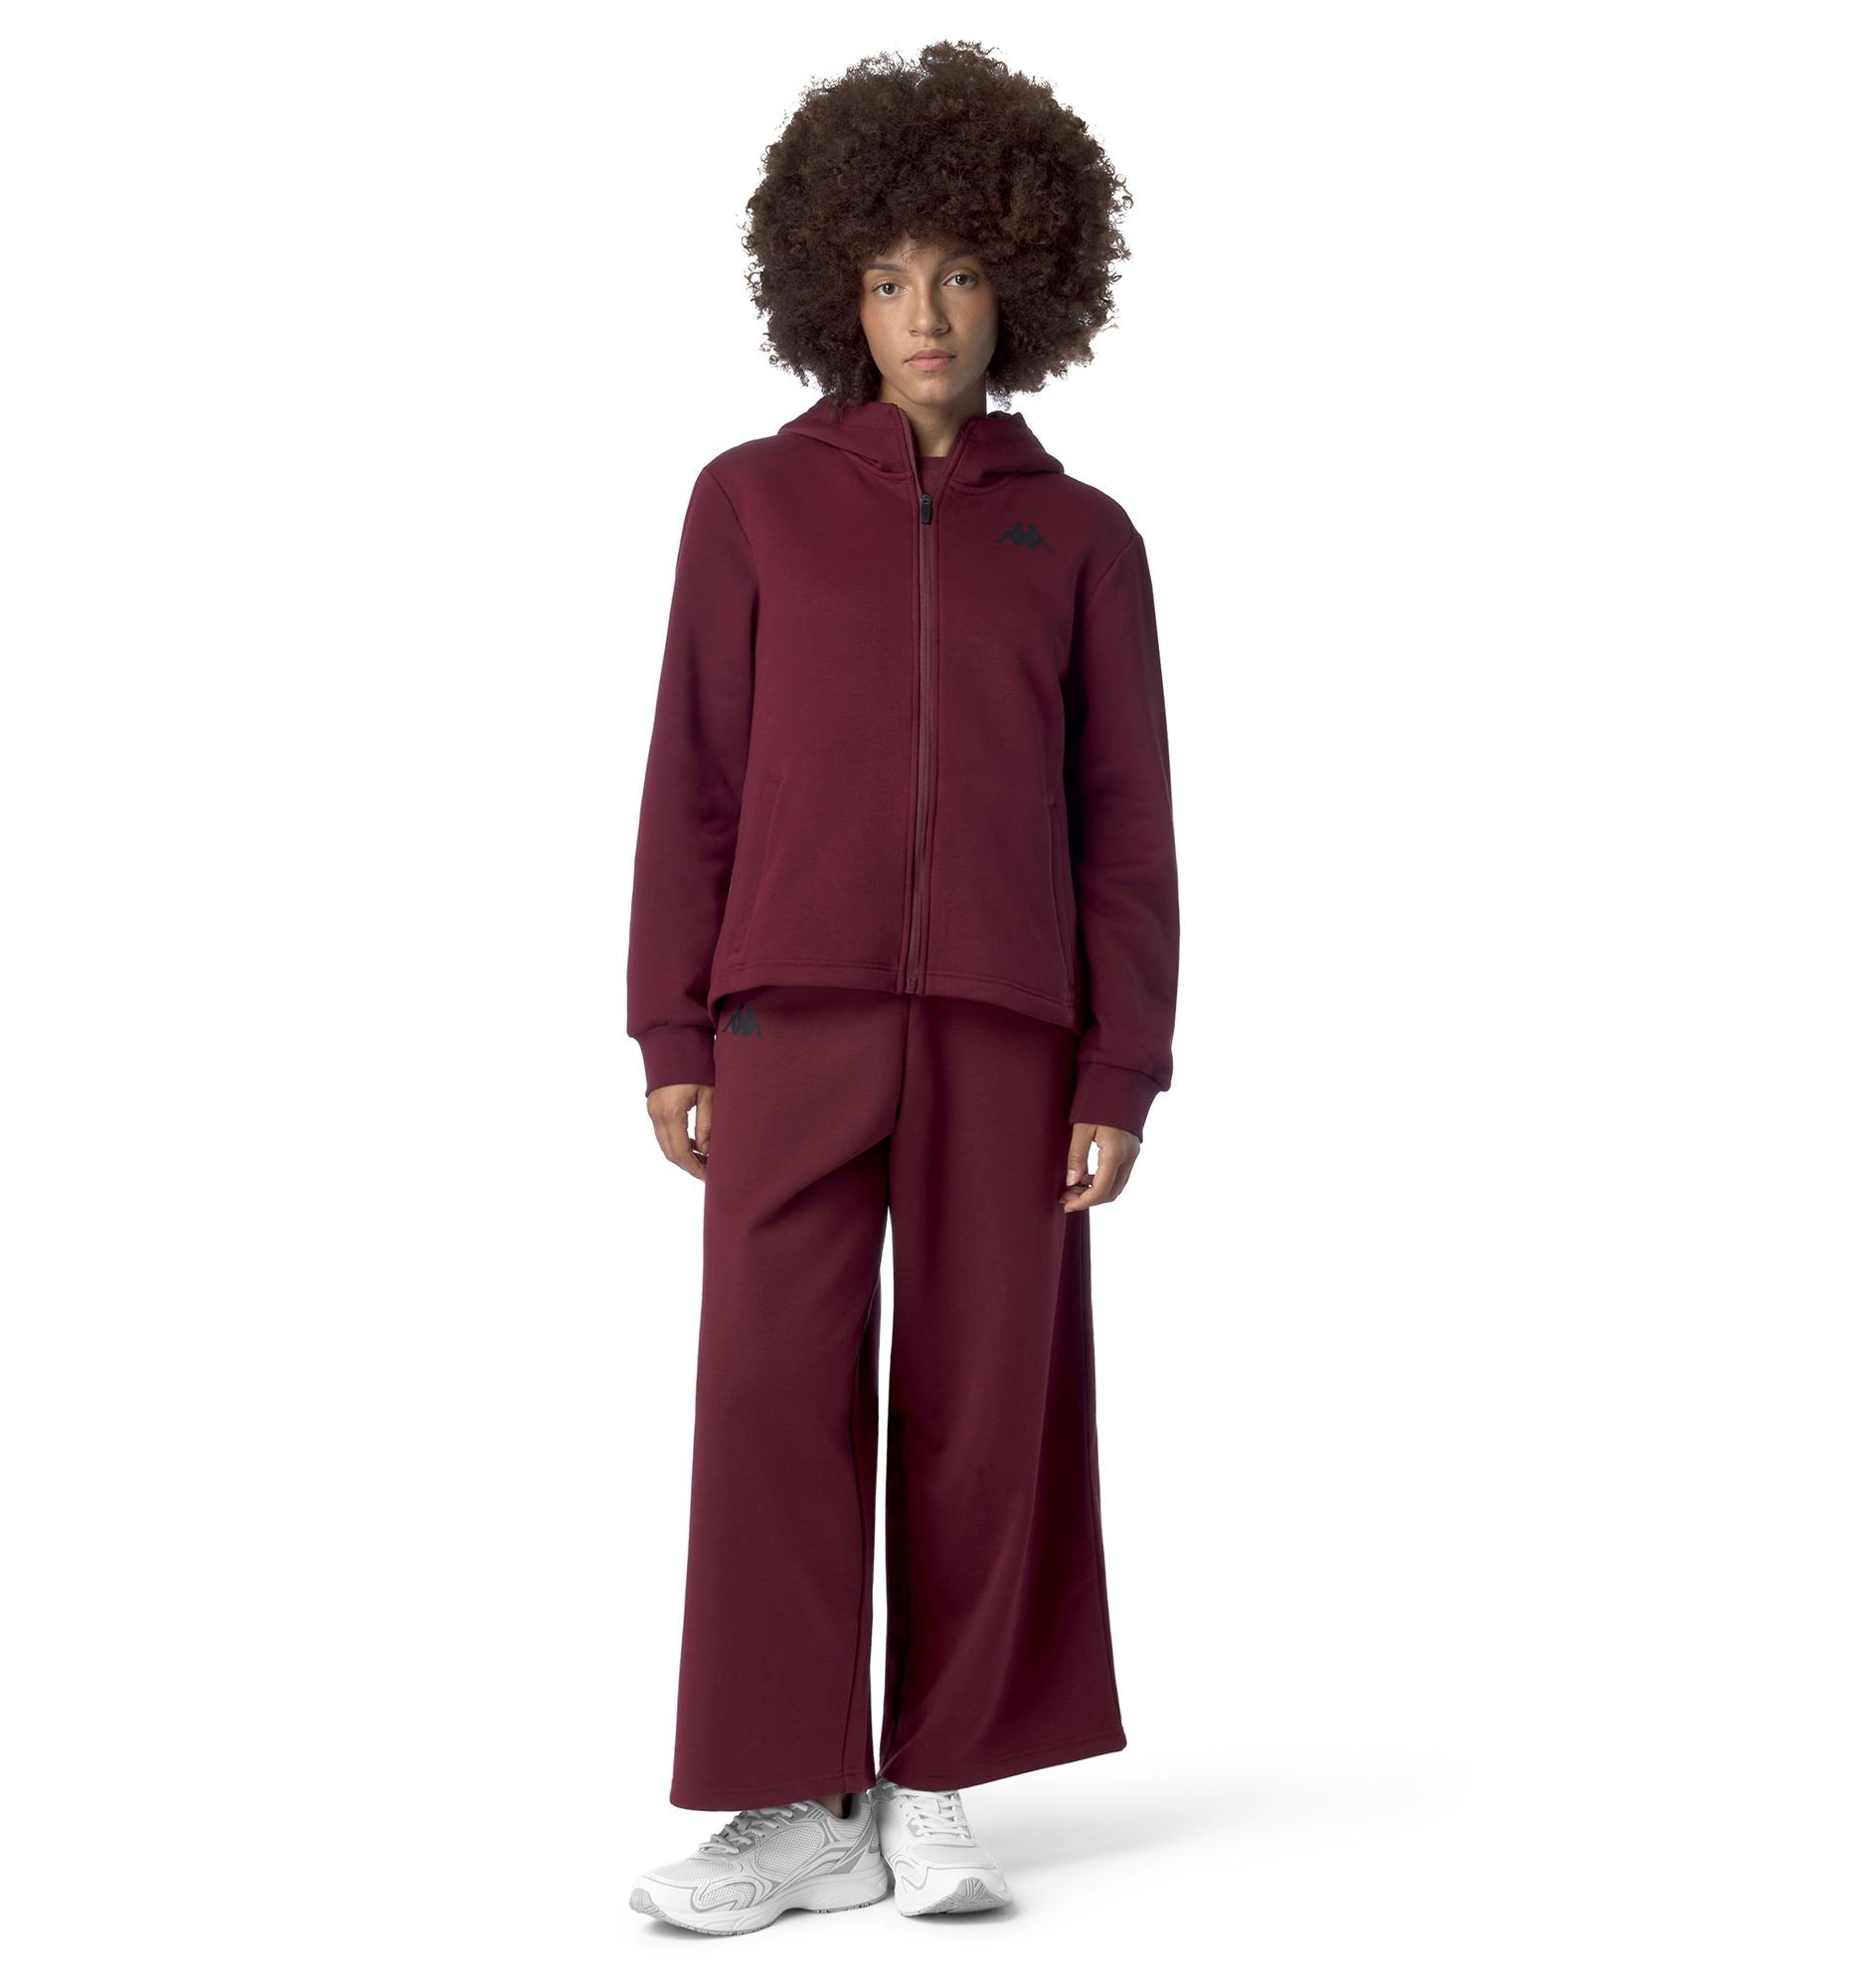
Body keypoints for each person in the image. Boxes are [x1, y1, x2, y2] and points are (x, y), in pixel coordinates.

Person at [623, 42, 1180, 1934]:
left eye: (957, 274)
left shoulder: (1082, 537)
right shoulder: (750, 503)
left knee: (984, 1400)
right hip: (788, 1014)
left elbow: (1125, 821)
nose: (924, 314)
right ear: (833, 293)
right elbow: (695, 775)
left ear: (1024, 282)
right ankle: (798, 1801)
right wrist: (671, 1022)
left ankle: (935, 1776)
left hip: (1013, 1030)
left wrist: (1123, 1067)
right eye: (885, 279)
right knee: (770, 1392)